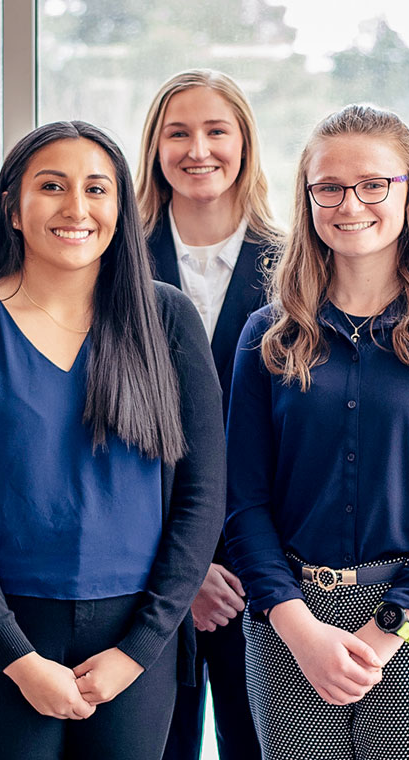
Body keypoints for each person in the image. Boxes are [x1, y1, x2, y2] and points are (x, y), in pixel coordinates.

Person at [0, 120, 226, 759]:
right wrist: (18, 659)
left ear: (120, 207)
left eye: (97, 190)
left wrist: (136, 652)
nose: (77, 208)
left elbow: (202, 496)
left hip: (136, 635)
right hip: (2, 633)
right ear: (13, 209)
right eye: (52, 187)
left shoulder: (165, 318)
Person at [225, 104, 409, 759]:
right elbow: (243, 506)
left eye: (373, 184)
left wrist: (386, 632)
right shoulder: (267, 336)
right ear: (308, 197)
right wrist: (298, 630)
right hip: (289, 620)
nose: (351, 203)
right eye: (329, 187)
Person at [136, 68, 278, 760]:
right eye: (179, 132)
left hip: (269, 580)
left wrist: (257, 567)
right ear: (154, 148)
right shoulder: (113, 263)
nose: (199, 149)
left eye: (217, 130)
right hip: (147, 578)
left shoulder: (296, 264)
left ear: (245, 143)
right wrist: (183, 569)